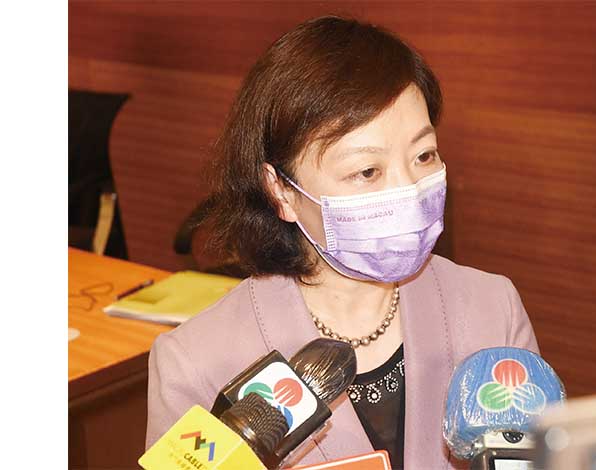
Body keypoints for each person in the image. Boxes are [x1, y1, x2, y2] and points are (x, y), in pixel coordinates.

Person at [145, 15, 539, 469]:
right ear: (281, 191)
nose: (408, 190)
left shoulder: (492, 308)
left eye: (424, 155)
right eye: (367, 171)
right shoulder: (196, 362)